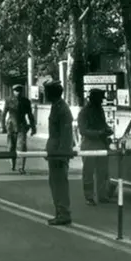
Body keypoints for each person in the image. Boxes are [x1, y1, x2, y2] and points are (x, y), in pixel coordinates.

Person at [44, 80, 74, 226]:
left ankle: (63, 213)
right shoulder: (56, 107)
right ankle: (60, 212)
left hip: (58, 153)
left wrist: (62, 154)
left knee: (59, 183)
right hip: (54, 151)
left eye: (47, 92)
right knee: (55, 183)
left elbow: (66, 134)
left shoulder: (62, 109)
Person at [78, 88, 114, 205]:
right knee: (88, 172)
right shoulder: (84, 112)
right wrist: (99, 133)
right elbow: (83, 130)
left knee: (102, 171)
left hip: (101, 143)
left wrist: (108, 129)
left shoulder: (100, 110)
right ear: (93, 99)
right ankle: (89, 196)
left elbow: (103, 124)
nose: (101, 102)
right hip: (89, 144)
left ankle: (102, 195)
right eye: (99, 99)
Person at [2, 84, 36, 174]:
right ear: (13, 91)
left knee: (22, 147)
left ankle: (21, 167)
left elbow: (30, 115)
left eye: (20, 90)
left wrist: (33, 127)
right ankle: (12, 164)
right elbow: (4, 113)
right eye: (16, 90)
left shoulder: (26, 101)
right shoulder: (8, 100)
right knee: (11, 147)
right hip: (11, 126)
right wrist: (2, 126)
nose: (18, 92)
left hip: (22, 126)